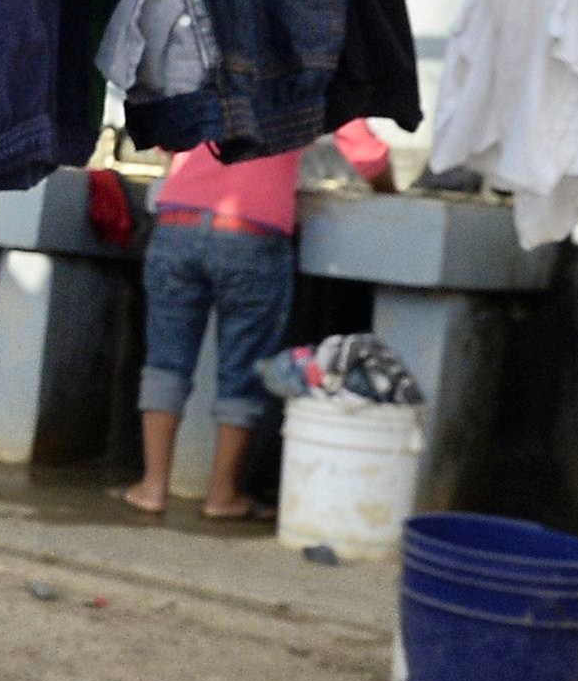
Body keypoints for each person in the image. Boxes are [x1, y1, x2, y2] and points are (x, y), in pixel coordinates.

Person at [125, 124, 389, 519]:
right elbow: (364, 151)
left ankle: (152, 487)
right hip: (251, 232)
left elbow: (166, 133)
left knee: (165, 363)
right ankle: (221, 496)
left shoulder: (204, 60)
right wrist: (392, 191)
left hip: (178, 220)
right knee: (241, 371)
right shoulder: (311, 65)